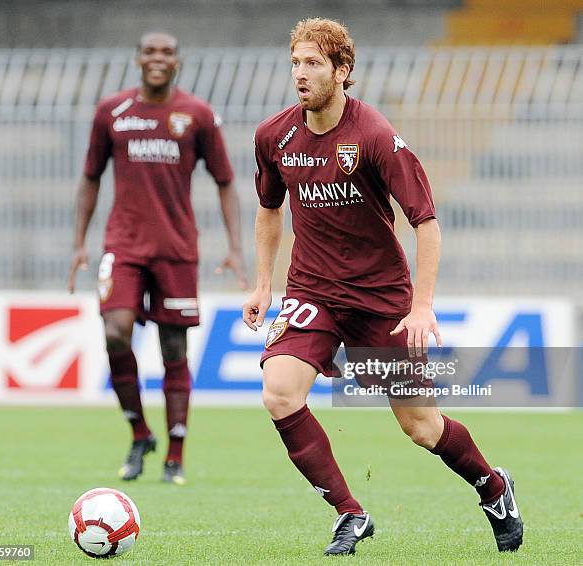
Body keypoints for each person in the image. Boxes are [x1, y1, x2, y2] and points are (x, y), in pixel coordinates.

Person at [243, 18, 523, 556]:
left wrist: (421, 307)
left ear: (342, 71)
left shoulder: (373, 136)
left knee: (421, 427)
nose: (300, 74)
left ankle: (494, 488)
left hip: (379, 302)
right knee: (279, 392)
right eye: (295, 62)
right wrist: (262, 284)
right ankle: (351, 513)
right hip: (313, 293)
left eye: (313, 64)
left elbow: (426, 221)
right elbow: (268, 210)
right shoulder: (273, 136)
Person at [68, 31, 247, 485]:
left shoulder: (198, 115)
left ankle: (176, 455)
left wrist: (234, 246)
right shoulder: (112, 112)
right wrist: (78, 243)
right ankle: (139, 432)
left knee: (173, 348)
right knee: (115, 332)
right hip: (123, 245)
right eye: (150, 51)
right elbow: (90, 177)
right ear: (137, 59)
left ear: (178, 61)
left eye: (167, 52)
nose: (158, 58)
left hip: (175, 248)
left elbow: (225, 181)